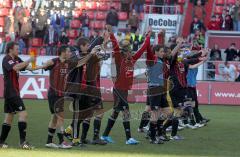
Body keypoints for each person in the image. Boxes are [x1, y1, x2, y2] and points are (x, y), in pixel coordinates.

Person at [100, 25, 151, 145]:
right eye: (129, 51)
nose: (131, 53)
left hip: (123, 91)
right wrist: (111, 34)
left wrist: (148, 36)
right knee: (126, 112)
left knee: (115, 113)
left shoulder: (132, 60)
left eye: (131, 51)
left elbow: (143, 48)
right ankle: (128, 139)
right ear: (124, 52)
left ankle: (104, 135)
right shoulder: (119, 59)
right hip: (118, 90)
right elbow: (116, 46)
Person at [34, 46, 76, 149]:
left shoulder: (68, 63)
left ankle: (49, 141)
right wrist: (31, 64)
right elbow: (40, 67)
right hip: (54, 94)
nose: (70, 53)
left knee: (54, 118)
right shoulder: (53, 61)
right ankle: (62, 142)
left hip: (60, 95)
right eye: (68, 51)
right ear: (63, 52)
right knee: (61, 117)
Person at [0, 42, 34, 149]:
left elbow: (28, 67)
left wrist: (43, 65)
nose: (18, 50)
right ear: (10, 49)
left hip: (12, 92)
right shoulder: (6, 59)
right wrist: (29, 60)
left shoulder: (17, 58)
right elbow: (15, 68)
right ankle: (22, 143)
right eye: (16, 48)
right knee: (23, 114)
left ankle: (1, 142)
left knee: (9, 118)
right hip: (11, 92)